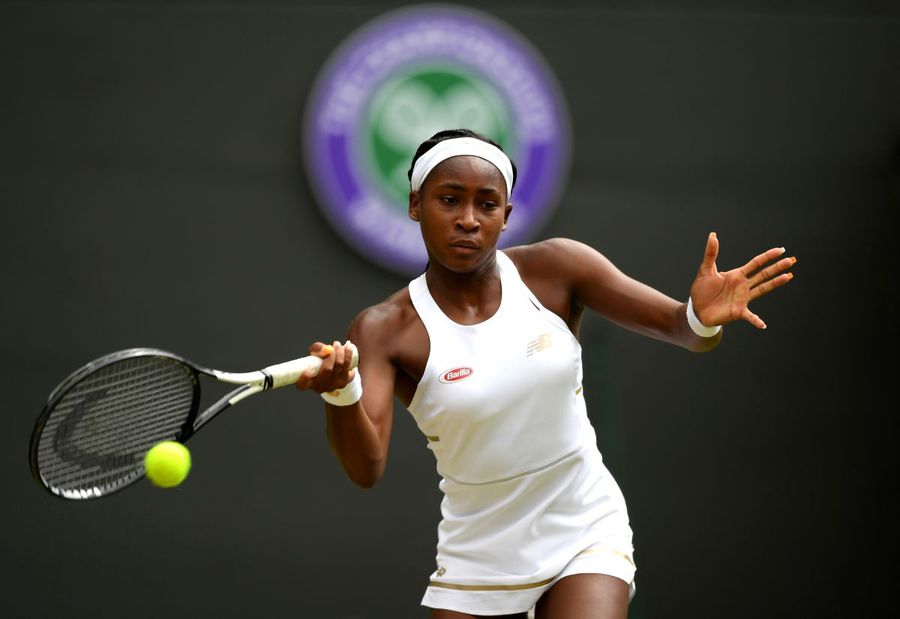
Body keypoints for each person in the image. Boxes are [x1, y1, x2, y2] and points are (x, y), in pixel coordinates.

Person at [295, 128, 796, 619]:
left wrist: (699, 316)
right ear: (415, 205)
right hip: (479, 551)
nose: (468, 220)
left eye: (486, 205)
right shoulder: (385, 328)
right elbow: (366, 468)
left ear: (506, 216)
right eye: (449, 200)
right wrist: (341, 395)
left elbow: (680, 329)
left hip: (582, 523)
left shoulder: (558, 269)